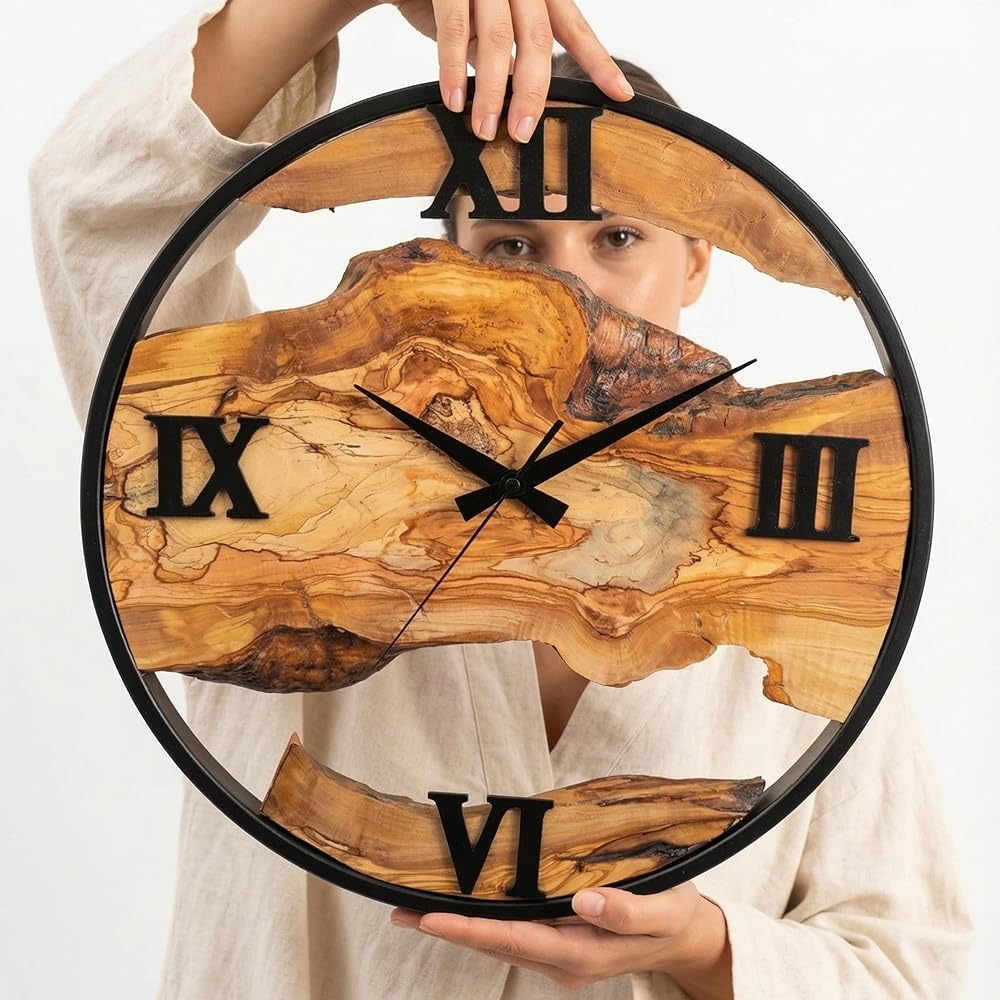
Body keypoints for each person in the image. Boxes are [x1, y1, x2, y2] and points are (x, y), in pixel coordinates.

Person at [28, 1, 972, 997]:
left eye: (616, 236)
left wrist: (700, 944)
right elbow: (99, 209)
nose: (566, 298)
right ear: (446, 264)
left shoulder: (811, 569)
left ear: (698, 259)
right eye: (513, 246)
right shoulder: (284, 460)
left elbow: (904, 966)